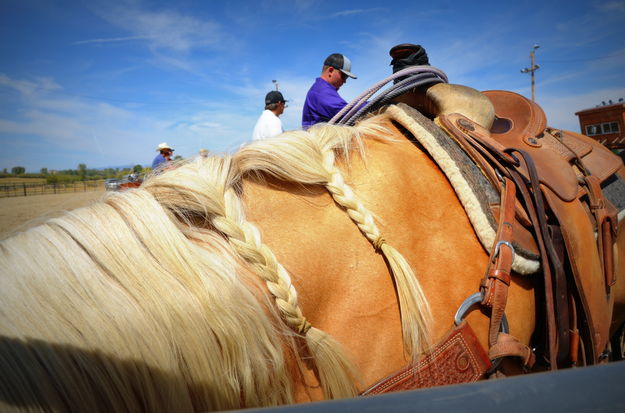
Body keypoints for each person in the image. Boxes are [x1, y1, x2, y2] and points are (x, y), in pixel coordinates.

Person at [302, 53, 357, 129]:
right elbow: (346, 111)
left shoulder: (319, 89)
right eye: (344, 76)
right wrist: (376, 104)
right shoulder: (321, 91)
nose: (344, 81)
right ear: (330, 71)